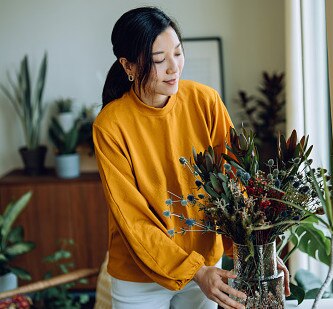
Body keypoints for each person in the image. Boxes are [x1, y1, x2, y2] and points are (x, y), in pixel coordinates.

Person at [93, 6, 290, 309]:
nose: (173, 67)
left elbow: (235, 183)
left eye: (178, 53)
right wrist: (195, 271)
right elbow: (132, 219)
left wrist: (256, 250)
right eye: (159, 60)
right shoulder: (110, 124)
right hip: (140, 278)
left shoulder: (205, 101)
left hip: (207, 268)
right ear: (128, 66)